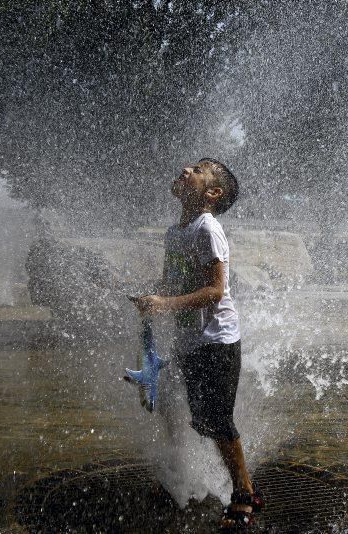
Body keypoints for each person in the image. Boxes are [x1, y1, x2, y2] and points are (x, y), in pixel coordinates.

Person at [134, 158, 263, 528]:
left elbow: (215, 290)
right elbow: (172, 283)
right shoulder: (175, 232)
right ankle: (177, 478)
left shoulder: (207, 228)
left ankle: (244, 493)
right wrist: (152, 299)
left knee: (217, 421)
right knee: (191, 416)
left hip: (216, 341)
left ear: (212, 193)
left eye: (199, 170)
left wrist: (166, 304)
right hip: (189, 340)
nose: (187, 169)